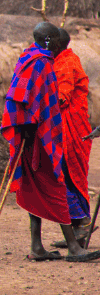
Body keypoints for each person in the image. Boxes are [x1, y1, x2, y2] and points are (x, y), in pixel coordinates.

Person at [1, 22, 99, 263]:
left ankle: (37, 246)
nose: (60, 44)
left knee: (35, 185)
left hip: (27, 130)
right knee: (56, 184)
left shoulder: (26, 57)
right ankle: (75, 248)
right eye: (56, 39)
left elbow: (19, 95)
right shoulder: (42, 62)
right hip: (41, 135)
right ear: (49, 41)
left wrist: (23, 126)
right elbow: (44, 99)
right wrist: (35, 125)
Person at [51, 27, 93, 249]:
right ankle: (78, 228)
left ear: (57, 44)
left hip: (72, 129)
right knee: (69, 174)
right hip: (68, 127)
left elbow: (62, 97)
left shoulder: (67, 63)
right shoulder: (61, 60)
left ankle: (81, 222)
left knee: (67, 174)